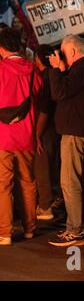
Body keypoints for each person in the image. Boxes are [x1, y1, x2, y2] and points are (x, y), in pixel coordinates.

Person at [47, 35, 84, 247]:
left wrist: (54, 69)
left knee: (70, 183)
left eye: (63, 52)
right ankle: (80, 225)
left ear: (71, 52)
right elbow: (69, 90)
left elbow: (60, 92)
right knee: (81, 182)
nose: (61, 56)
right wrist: (62, 69)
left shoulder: (81, 68)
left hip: (75, 134)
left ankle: (76, 230)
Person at [0, 28, 43, 245]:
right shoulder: (32, 70)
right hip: (26, 134)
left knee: (3, 185)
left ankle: (5, 233)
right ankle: (29, 228)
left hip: (3, 136)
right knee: (27, 182)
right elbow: (38, 92)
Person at [33, 44, 59, 220]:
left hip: (47, 128)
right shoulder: (56, 74)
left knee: (42, 165)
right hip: (57, 127)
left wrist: (37, 134)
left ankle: (45, 205)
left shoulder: (45, 78)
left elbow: (44, 109)